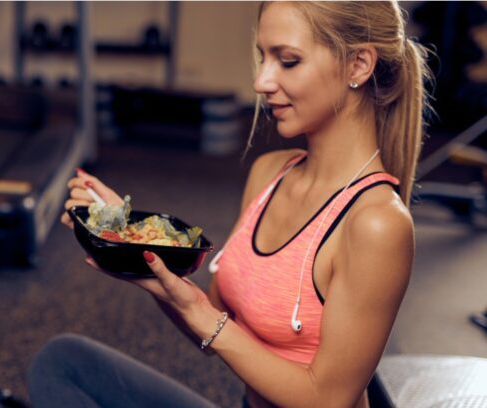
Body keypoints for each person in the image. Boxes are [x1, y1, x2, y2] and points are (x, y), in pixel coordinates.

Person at [29, 2, 432, 407]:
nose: (261, 81)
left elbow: (326, 399)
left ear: (358, 65)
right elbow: (217, 330)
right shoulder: (270, 174)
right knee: (63, 363)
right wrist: (134, 247)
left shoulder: (376, 223)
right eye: (263, 57)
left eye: (287, 61)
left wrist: (206, 316)